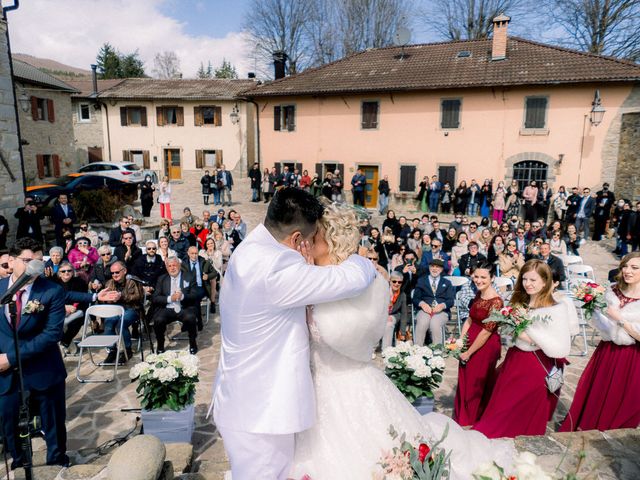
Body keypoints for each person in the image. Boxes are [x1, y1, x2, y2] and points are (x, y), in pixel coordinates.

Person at [289, 202, 515, 480]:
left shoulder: (351, 280)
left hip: (346, 382)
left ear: (330, 238)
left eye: (314, 235)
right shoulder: (314, 273)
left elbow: (344, 336)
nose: (308, 241)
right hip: (315, 383)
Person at [210, 188, 377, 480]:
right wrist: (363, 260)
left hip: (243, 401)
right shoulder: (276, 268)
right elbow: (347, 279)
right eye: (309, 239)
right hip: (262, 413)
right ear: (297, 238)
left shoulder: (250, 247)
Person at [474, 260, 571, 438]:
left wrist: (528, 335)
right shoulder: (519, 303)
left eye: (533, 280)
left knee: (522, 409)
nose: (528, 284)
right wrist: (513, 329)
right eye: (525, 279)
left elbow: (561, 347)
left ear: (545, 281)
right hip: (515, 359)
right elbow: (508, 333)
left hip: (537, 364)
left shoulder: (557, 309)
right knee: (502, 405)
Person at [0, 242, 69, 468]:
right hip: (6, 374)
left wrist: (11, 357)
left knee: (53, 424)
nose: (35, 266)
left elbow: (52, 334)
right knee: (9, 423)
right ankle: (20, 464)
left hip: (43, 368)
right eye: (28, 261)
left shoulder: (52, 291)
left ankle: (56, 464)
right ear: (11, 261)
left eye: (39, 260)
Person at [559, 253, 640, 432]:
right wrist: (591, 308)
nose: (627, 271)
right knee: (599, 391)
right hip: (607, 351)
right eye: (625, 266)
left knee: (623, 397)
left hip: (632, 356)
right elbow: (599, 320)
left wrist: (620, 320)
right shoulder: (611, 290)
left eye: (634, 268)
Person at [454, 261, 503, 426]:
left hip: (485, 345)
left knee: (476, 382)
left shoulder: (496, 302)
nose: (479, 280)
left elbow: (487, 332)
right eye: (476, 276)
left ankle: (473, 418)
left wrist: (469, 352)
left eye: (483, 277)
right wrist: (461, 340)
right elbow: (470, 318)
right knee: (465, 378)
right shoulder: (478, 294)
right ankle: (463, 416)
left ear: (492, 278)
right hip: (470, 339)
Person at [412, 258, 455, 345]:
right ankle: (417, 350)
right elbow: (415, 299)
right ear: (429, 267)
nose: (434, 269)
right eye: (432, 266)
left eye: (437, 267)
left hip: (441, 311)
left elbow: (451, 301)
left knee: (435, 324)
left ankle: (437, 350)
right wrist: (422, 304)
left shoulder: (447, 283)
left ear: (442, 269)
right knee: (422, 323)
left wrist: (442, 305)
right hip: (425, 309)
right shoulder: (421, 281)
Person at [382, 271, 409, 348]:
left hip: (394, 316)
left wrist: (403, 333)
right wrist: (385, 316)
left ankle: (386, 350)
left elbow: (404, 314)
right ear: (390, 281)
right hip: (381, 315)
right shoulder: (383, 291)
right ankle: (372, 348)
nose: (397, 284)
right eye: (394, 281)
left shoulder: (402, 295)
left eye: (399, 282)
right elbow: (377, 308)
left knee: (389, 324)